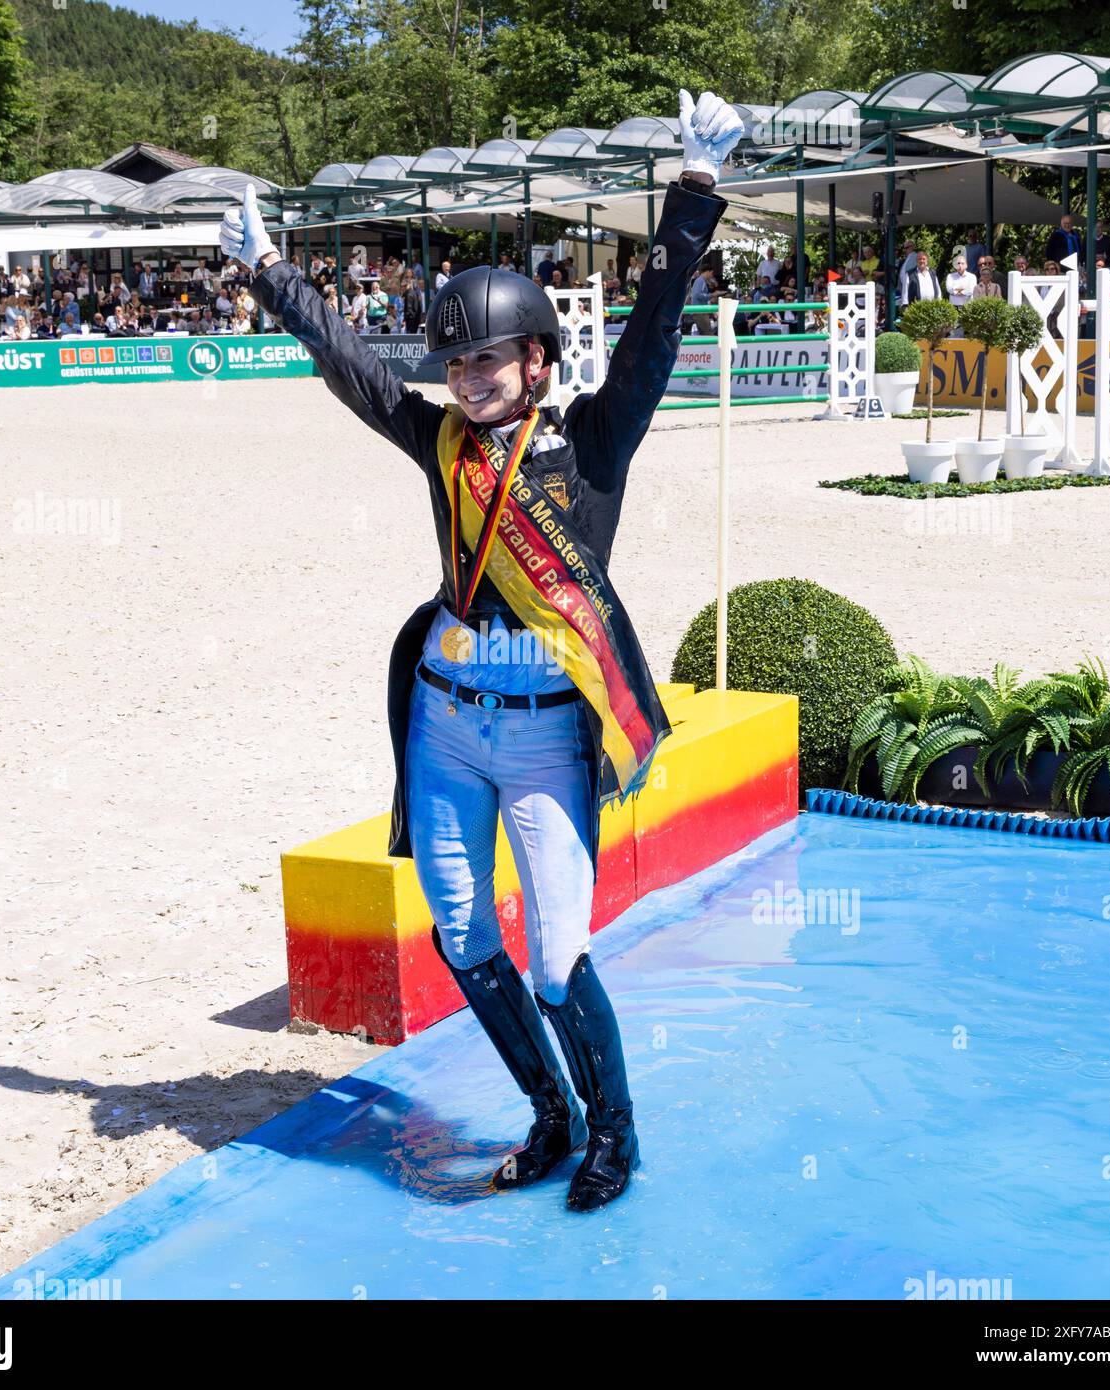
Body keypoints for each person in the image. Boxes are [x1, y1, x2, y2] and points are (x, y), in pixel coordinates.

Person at [220, 87, 744, 1213]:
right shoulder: (441, 442)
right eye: (456, 363)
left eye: (489, 359)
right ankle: (547, 1117)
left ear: (541, 362)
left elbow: (654, 331)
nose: (466, 377)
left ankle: (614, 1133)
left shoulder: (594, 443)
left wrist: (692, 192)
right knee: (463, 937)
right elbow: (354, 366)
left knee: (556, 958)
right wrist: (268, 271)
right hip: (446, 726)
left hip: (551, 735)